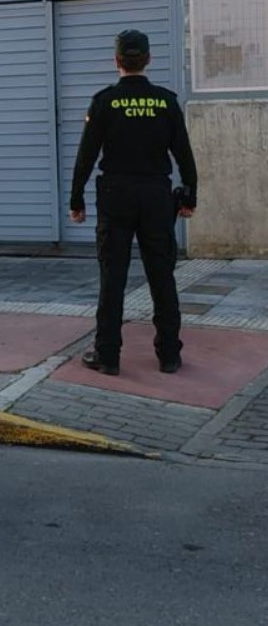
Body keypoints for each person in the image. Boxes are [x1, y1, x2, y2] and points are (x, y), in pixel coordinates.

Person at [69, 29, 198, 376]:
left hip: (116, 196)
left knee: (113, 277)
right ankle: (169, 354)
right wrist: (190, 197)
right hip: (156, 195)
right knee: (162, 276)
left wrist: (76, 198)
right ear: (148, 60)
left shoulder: (104, 101)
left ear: (116, 61)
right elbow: (184, 155)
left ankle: (108, 355)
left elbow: (86, 156)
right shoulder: (166, 102)